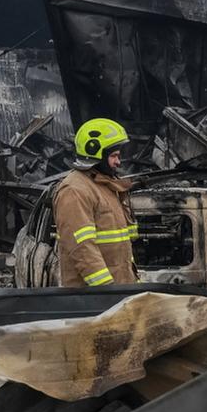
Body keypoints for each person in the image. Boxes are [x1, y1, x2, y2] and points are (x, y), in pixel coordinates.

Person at [53, 117, 138, 287]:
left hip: (117, 290)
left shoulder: (105, 187)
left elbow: (119, 247)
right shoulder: (75, 190)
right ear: (95, 152)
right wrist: (105, 288)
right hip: (94, 296)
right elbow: (82, 248)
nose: (118, 162)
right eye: (114, 156)